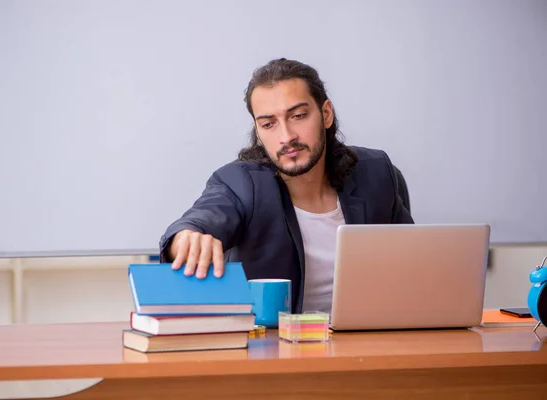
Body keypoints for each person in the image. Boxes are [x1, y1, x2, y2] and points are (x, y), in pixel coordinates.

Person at [159, 58, 414, 314]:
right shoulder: (239, 183)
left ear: (326, 114)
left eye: (298, 116)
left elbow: (416, 265)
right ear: (258, 131)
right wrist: (185, 237)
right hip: (278, 347)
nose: (287, 136)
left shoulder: (376, 172)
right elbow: (201, 219)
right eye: (269, 124)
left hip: (368, 343)